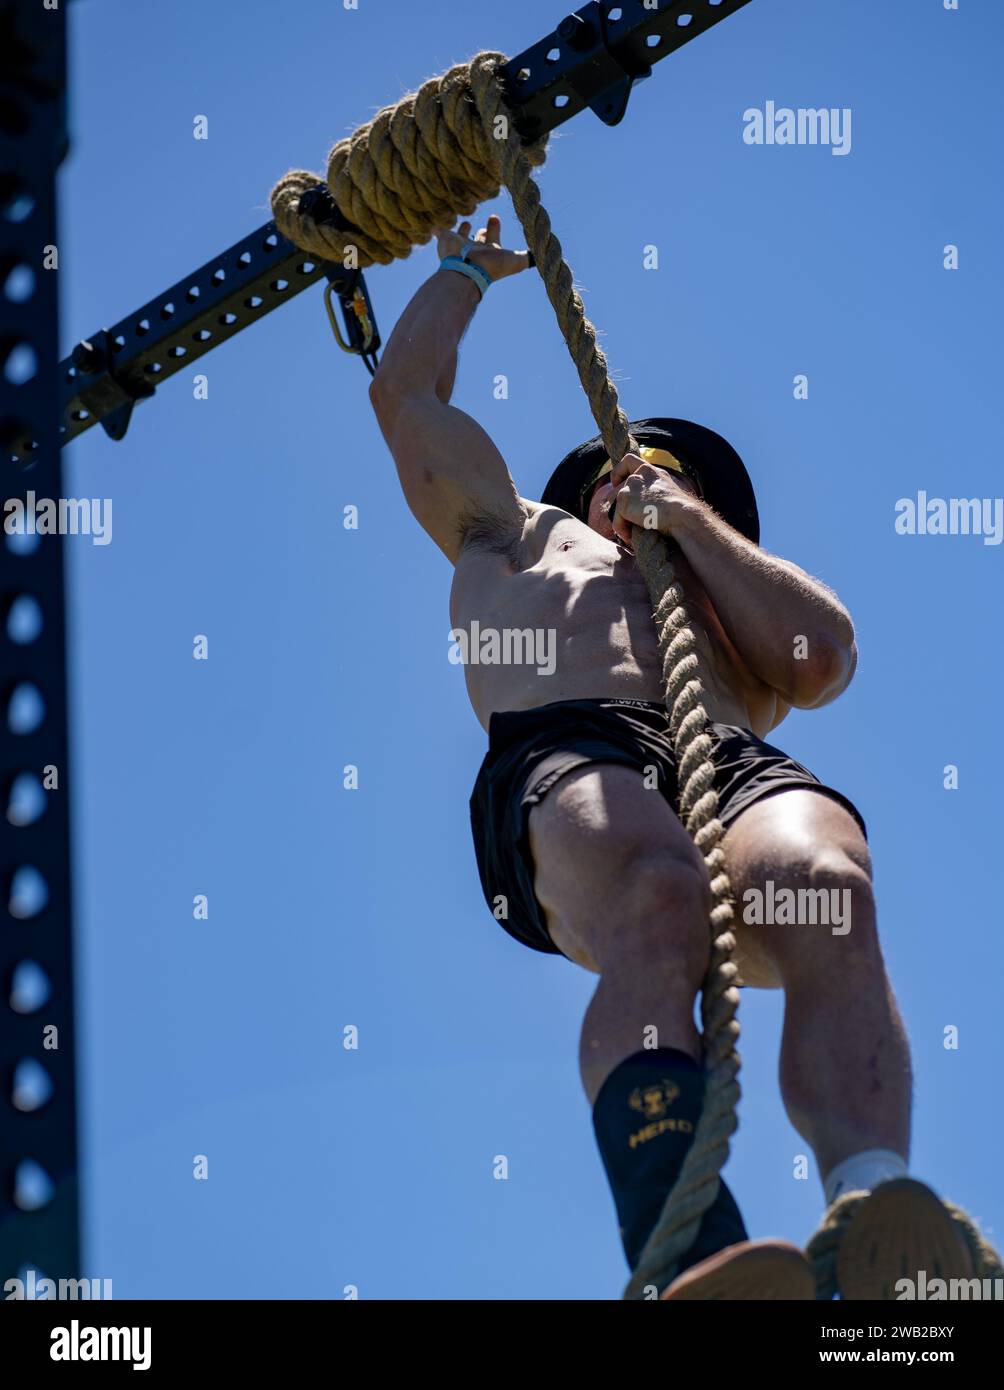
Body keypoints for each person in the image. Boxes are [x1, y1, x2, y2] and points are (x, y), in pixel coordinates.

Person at [368, 213, 941, 1299]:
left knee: (825, 885)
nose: (639, 479)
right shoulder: (515, 531)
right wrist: (458, 274)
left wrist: (684, 519)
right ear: (587, 484)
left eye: (671, 473)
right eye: (627, 473)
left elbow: (822, 658)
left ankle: (872, 1216)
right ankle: (688, 1250)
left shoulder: (729, 608)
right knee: (656, 892)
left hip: (721, 758)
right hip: (573, 742)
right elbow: (406, 401)